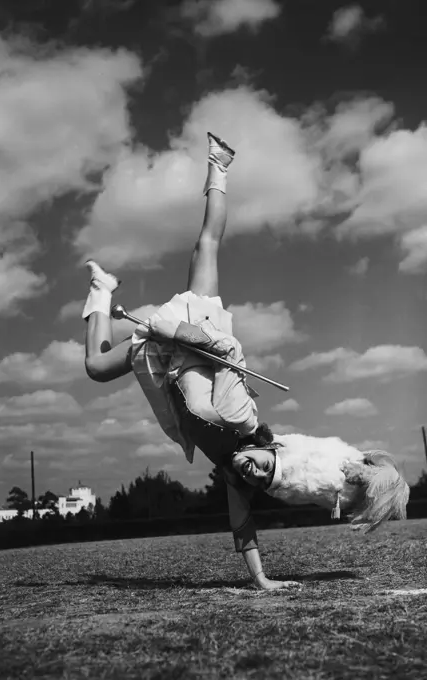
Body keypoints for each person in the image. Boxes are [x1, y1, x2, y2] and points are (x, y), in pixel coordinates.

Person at [82, 132, 299, 590]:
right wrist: (174, 329)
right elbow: (228, 352)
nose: (253, 471)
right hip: (196, 332)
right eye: (264, 466)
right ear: (268, 449)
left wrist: (261, 582)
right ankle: (219, 166)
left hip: (165, 355)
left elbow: (243, 530)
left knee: (97, 367)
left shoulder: (235, 474)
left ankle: (102, 289)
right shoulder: (241, 420)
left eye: (257, 479)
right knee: (206, 245)